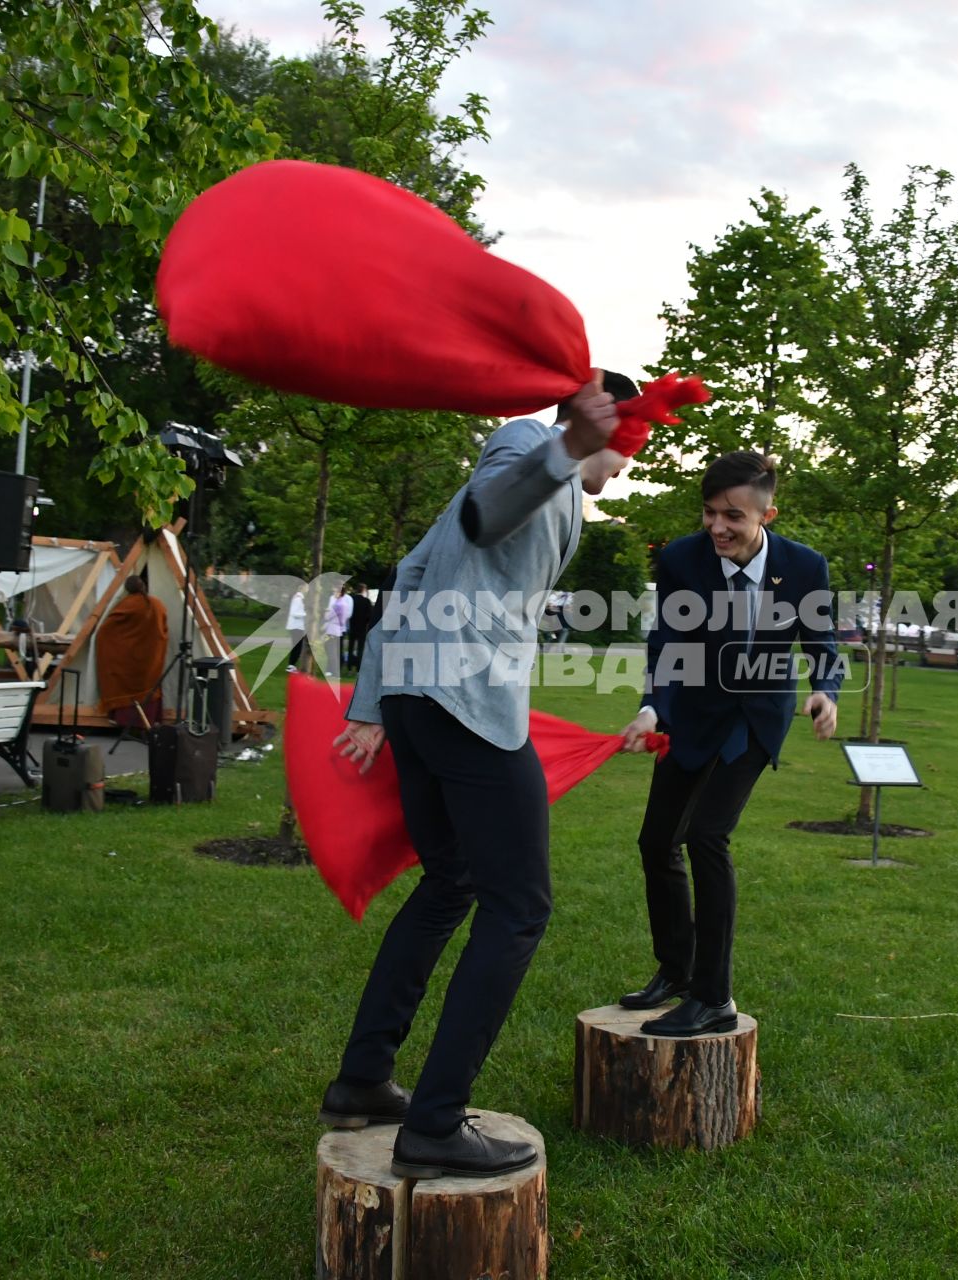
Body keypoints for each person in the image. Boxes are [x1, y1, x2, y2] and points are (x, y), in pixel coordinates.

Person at [321, 372, 630, 1179]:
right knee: (519, 907)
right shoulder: (529, 443)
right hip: (465, 704)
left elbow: (414, 572)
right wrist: (566, 444)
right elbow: (488, 515)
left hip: (425, 702)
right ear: (594, 424)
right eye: (625, 441)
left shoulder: (557, 480)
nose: (627, 460)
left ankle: (361, 1079)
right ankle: (434, 1124)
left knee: (451, 881)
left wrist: (374, 700)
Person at [614, 451, 841, 1035]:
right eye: (710, 513)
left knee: (707, 835)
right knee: (655, 841)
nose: (718, 527)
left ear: (766, 513)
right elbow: (668, 642)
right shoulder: (681, 559)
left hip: (755, 718)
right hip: (693, 714)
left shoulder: (805, 566)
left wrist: (826, 692)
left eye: (733, 516)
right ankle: (678, 972)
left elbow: (821, 641)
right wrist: (649, 708)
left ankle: (714, 997)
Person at [94, 574, 169, 730]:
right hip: (151, 658)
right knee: (148, 686)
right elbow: (163, 631)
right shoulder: (157, 604)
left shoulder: (126, 604)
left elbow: (106, 631)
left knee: (122, 685)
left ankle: (123, 720)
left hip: (127, 659)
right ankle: (149, 720)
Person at [343, 583, 374, 671]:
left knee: (350, 647)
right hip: (362, 628)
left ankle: (349, 667)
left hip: (352, 627)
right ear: (364, 590)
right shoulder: (366, 601)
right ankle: (358, 667)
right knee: (360, 648)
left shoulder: (351, 600)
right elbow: (369, 616)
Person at [324, 582, 352, 676]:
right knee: (333, 651)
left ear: (340, 593)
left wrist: (326, 612)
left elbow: (327, 617)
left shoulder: (338, 604)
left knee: (331, 651)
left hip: (332, 629)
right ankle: (334, 671)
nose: (334, 593)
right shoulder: (344, 604)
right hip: (338, 629)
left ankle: (334, 671)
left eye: (336, 591)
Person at [284, 585, 309, 673]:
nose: (307, 590)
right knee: (297, 647)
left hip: (297, 626)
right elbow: (294, 613)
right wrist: (306, 614)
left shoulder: (299, 598)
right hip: (296, 626)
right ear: (302, 589)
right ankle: (291, 665)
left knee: (297, 646)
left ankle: (291, 665)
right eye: (307, 588)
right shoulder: (298, 599)